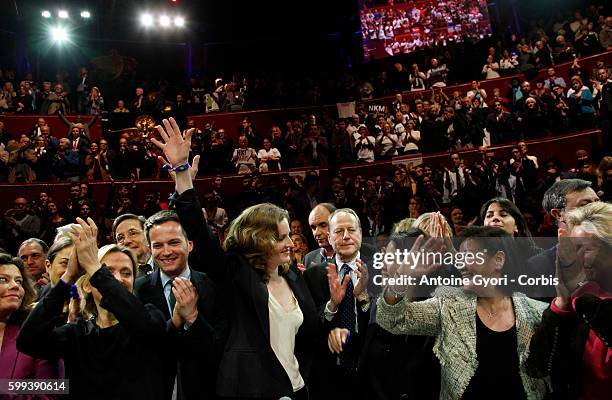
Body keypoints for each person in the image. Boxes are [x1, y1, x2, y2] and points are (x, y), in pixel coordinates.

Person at [151, 117, 319, 399]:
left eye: (289, 235)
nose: (291, 243)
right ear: (258, 239)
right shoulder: (236, 275)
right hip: (250, 391)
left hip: (297, 389)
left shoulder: (293, 276)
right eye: (281, 237)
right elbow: (201, 237)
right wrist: (182, 174)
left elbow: (306, 339)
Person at [377, 226, 549, 399]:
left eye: (469, 255)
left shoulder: (535, 312)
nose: (462, 264)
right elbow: (392, 319)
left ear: (498, 260)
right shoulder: (448, 304)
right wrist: (402, 278)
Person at [17, 219, 168, 400]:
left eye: (127, 273)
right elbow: (28, 341)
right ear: (88, 285)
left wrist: (97, 270)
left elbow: (143, 326)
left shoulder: (151, 316)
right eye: (108, 272)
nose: (118, 279)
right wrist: (68, 277)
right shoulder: (78, 333)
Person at [135, 210, 226, 400]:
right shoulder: (138, 290)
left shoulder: (213, 286)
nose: (166, 252)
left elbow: (220, 349)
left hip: (206, 390)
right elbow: (142, 351)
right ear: (150, 250)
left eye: (174, 242)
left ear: (190, 245)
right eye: (158, 245)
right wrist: (175, 322)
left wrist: (193, 318)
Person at [526, 202, 612, 399]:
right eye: (575, 248)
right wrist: (562, 302)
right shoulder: (579, 298)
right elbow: (537, 368)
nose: (577, 258)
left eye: (585, 248)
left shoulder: (587, 302)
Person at [303, 208, 377, 399]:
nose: (346, 237)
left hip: (372, 371)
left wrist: (364, 300)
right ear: (329, 237)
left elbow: (387, 326)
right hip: (329, 373)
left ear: (360, 233)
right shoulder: (313, 275)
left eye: (351, 230)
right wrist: (332, 307)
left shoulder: (380, 269)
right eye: (338, 231)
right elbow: (307, 327)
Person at [0, 253, 62, 386]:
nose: (15, 286)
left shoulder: (38, 333)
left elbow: (53, 389)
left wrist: (4, 389)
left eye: (19, 281)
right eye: (3, 279)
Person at [303, 203, 337, 269]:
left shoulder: (352, 254)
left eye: (323, 225)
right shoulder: (308, 259)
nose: (317, 233)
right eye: (313, 227)